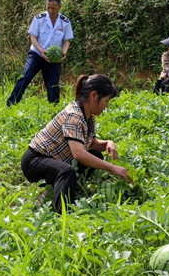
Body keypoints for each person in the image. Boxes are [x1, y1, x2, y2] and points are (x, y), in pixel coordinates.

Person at [20, 74, 133, 213]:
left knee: (96, 155)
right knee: (66, 171)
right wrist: (112, 167)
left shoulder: (88, 116)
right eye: (106, 100)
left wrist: (108, 143)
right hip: (35, 161)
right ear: (94, 95)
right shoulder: (74, 115)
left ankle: (68, 190)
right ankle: (63, 214)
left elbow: (90, 143)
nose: (106, 106)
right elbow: (79, 154)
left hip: (52, 159)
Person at [7, 0, 73, 106]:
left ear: (59, 7)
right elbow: (33, 37)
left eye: (53, 8)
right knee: (25, 77)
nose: (50, 10)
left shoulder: (65, 22)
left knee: (53, 85)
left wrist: (64, 51)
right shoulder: (39, 19)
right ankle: (10, 104)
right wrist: (41, 50)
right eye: (48, 7)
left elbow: (67, 40)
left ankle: (54, 109)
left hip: (53, 58)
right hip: (37, 54)